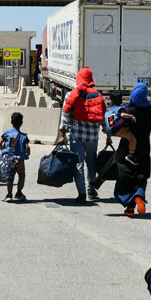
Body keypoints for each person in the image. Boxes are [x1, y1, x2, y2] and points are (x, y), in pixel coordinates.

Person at [57, 68, 111, 202]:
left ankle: (82, 193)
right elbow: (104, 116)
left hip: (77, 135)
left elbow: (65, 115)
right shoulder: (98, 95)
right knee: (91, 162)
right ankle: (91, 190)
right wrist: (108, 135)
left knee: (78, 163)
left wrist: (62, 133)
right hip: (93, 136)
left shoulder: (72, 94)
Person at [114, 82, 151, 216]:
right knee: (141, 175)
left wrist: (118, 118)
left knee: (127, 176)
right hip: (144, 148)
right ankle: (139, 195)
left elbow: (116, 127)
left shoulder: (130, 110)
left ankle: (130, 207)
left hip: (127, 149)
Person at [0, 111, 30, 202]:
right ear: (21, 123)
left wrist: (4, 151)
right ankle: (19, 192)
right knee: (21, 175)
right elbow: (27, 148)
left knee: (10, 176)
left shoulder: (6, 133)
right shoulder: (23, 136)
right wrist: (27, 153)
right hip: (19, 159)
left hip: (9, 158)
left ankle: (9, 194)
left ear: (11, 122)